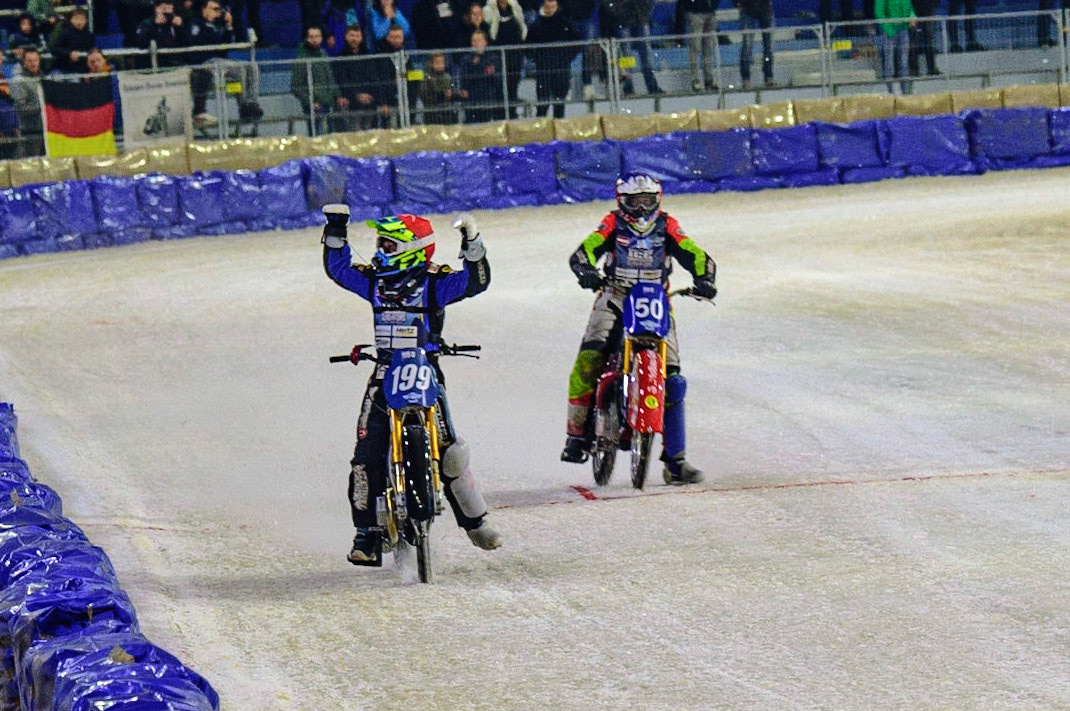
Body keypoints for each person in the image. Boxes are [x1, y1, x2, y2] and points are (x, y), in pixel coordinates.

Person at [319, 205, 502, 565]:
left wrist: (472, 240)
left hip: (425, 369)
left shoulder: (434, 283)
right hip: (384, 371)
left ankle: (475, 523)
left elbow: (475, 282)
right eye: (381, 244)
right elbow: (338, 269)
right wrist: (336, 228)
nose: (380, 251)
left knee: (450, 450)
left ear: (411, 249)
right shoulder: (374, 281)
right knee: (366, 454)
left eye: (388, 245)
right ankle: (366, 534)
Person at [560, 174, 716, 485]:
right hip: (615, 297)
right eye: (635, 201)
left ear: (658, 199)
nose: (642, 208)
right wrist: (587, 271)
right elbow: (583, 252)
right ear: (622, 202)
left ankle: (676, 461)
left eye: (647, 200)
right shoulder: (612, 224)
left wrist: (706, 279)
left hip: (656, 301)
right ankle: (576, 436)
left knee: (673, 380)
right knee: (589, 360)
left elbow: (697, 255)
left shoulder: (668, 226)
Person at [188, 0, 264, 127]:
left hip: (220, 62)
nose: (217, 12)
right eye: (214, 9)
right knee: (239, 68)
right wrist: (217, 29)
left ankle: (252, 103)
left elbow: (226, 46)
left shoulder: (219, 25)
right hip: (204, 63)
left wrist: (229, 26)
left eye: (218, 9)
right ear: (204, 10)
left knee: (252, 67)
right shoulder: (196, 24)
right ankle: (244, 106)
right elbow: (203, 43)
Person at [526, 0, 580, 118]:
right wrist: (536, 58)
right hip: (543, 68)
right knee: (542, 104)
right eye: (548, 7)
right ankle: (541, 127)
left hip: (561, 67)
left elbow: (576, 42)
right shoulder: (536, 25)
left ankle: (558, 128)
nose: (550, 9)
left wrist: (568, 57)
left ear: (557, 6)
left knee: (559, 103)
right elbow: (527, 46)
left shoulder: (566, 23)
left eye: (553, 7)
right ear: (543, 6)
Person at [291, 25, 348, 135]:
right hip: (314, 105)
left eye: (317, 36)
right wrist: (310, 102)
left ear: (321, 38)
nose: (315, 40)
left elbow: (330, 77)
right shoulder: (301, 59)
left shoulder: (323, 54)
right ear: (307, 39)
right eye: (311, 37)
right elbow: (295, 86)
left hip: (329, 101)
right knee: (317, 134)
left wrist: (338, 95)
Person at [602, 0, 662, 95]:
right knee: (627, 55)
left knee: (645, 54)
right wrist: (616, 10)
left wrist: (645, 8)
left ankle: (651, 86)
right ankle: (629, 87)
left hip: (640, 17)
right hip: (624, 19)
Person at [484, 0, 526, 117]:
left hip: (515, 55)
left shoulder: (515, 6)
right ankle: (499, 115)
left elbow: (521, 25)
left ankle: (512, 113)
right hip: (497, 55)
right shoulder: (488, 9)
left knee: (513, 85)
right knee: (500, 86)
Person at [459, 29, 504, 123]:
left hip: (487, 98)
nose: (476, 43)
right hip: (471, 99)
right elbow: (464, 80)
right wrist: (474, 67)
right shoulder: (466, 59)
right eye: (474, 40)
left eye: (479, 40)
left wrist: (490, 74)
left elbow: (497, 81)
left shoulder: (493, 58)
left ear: (485, 42)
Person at [678, 0, 719, 92]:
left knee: (708, 48)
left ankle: (709, 79)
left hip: (710, 13)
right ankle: (695, 80)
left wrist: (714, 5)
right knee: (695, 48)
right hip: (695, 13)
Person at [135, 0, 189, 68]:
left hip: (176, 63)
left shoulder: (174, 23)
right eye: (163, 9)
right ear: (156, 8)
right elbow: (141, 43)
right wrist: (155, 25)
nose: (166, 12)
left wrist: (180, 28)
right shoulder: (147, 23)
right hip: (155, 64)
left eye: (169, 8)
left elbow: (187, 43)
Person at [874, 0, 912, 94]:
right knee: (889, 62)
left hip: (903, 30)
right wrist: (889, 30)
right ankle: (890, 92)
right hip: (888, 31)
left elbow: (908, 7)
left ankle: (905, 92)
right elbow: (879, 11)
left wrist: (912, 17)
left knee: (904, 62)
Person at [11, 49, 43, 158]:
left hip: (46, 129)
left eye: (35, 60)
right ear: (24, 62)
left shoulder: (44, 77)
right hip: (30, 131)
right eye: (29, 61)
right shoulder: (19, 81)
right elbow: (21, 109)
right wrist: (43, 106)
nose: (33, 63)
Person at [735, 0, 774, 89]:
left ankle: (768, 77)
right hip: (746, 7)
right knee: (747, 44)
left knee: (768, 45)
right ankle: (746, 79)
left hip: (765, 7)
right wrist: (738, 3)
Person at [49, 8, 95, 74]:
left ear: (86, 21)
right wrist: (69, 53)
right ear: (71, 20)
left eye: (82, 19)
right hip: (62, 67)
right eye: (76, 19)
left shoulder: (89, 36)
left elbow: (91, 52)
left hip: (79, 69)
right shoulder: (65, 33)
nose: (79, 22)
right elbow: (54, 49)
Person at [419, 52, 456, 124]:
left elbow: (452, 93)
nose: (440, 65)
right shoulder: (425, 78)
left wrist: (452, 94)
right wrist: (442, 94)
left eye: (442, 63)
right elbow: (425, 97)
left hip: (447, 113)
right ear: (431, 64)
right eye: (437, 63)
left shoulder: (447, 77)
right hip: (431, 114)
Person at [908, 0, 937, 76]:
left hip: (927, 13)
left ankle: (931, 68)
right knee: (914, 41)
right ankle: (914, 70)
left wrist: (932, 9)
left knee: (928, 41)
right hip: (913, 14)